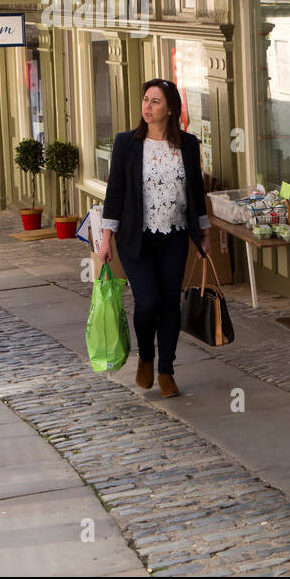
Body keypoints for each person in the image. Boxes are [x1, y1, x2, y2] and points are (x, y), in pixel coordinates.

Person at [97, 78, 209, 398]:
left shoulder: (187, 145)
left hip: (174, 238)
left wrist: (203, 235)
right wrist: (106, 240)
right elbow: (114, 193)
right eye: (145, 100)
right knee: (148, 303)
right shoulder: (126, 143)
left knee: (170, 304)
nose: (147, 106)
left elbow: (196, 193)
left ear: (171, 109)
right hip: (136, 240)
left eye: (155, 101)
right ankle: (146, 356)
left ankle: (166, 371)